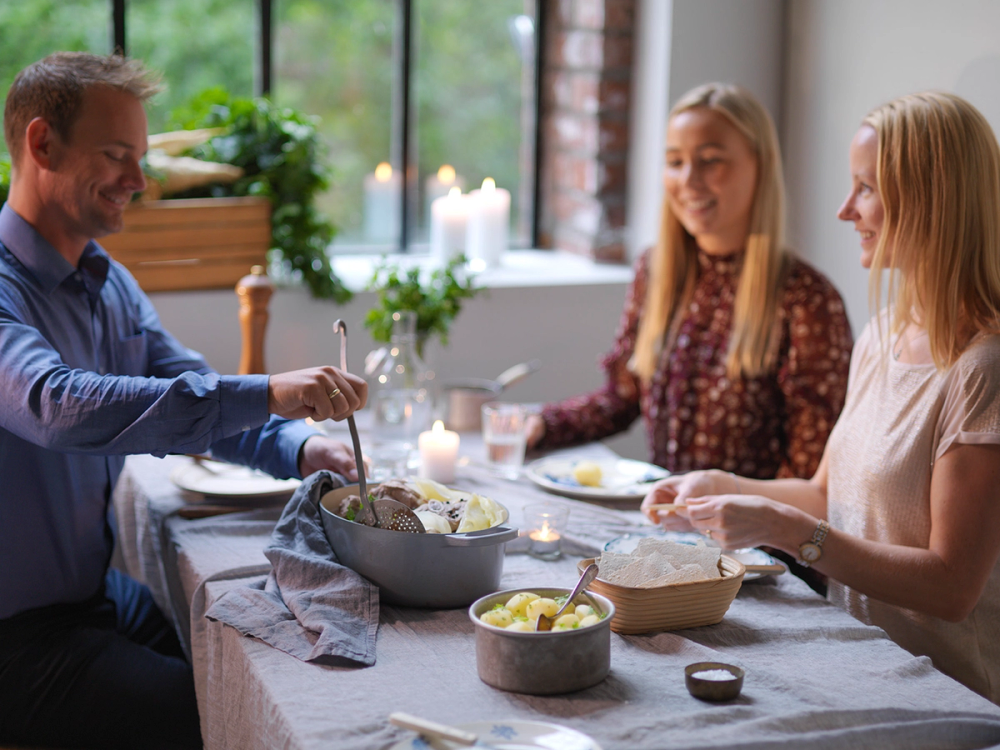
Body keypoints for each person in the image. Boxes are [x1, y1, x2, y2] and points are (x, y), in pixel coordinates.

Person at [0, 53, 368, 749]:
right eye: (116, 155)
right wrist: (271, 390)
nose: (139, 181)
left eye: (140, 158)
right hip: (16, 641)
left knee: (253, 664)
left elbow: (199, 396)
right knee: (216, 715)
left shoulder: (109, 282)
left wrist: (304, 447)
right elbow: (56, 404)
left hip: (92, 601)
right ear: (42, 144)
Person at [642, 91, 1000, 703]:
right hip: (856, 664)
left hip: (942, 694)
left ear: (931, 199)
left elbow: (951, 587)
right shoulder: (883, 336)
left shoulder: (982, 370)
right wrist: (721, 486)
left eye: (865, 188)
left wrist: (787, 528)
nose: (844, 210)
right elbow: (826, 494)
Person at [527, 84, 852, 482]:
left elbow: (810, 472)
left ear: (761, 165)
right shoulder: (655, 270)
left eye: (711, 160)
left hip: (749, 523)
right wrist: (542, 423)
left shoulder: (807, 299)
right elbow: (623, 397)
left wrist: (733, 511)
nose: (688, 180)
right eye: (675, 161)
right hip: (662, 514)